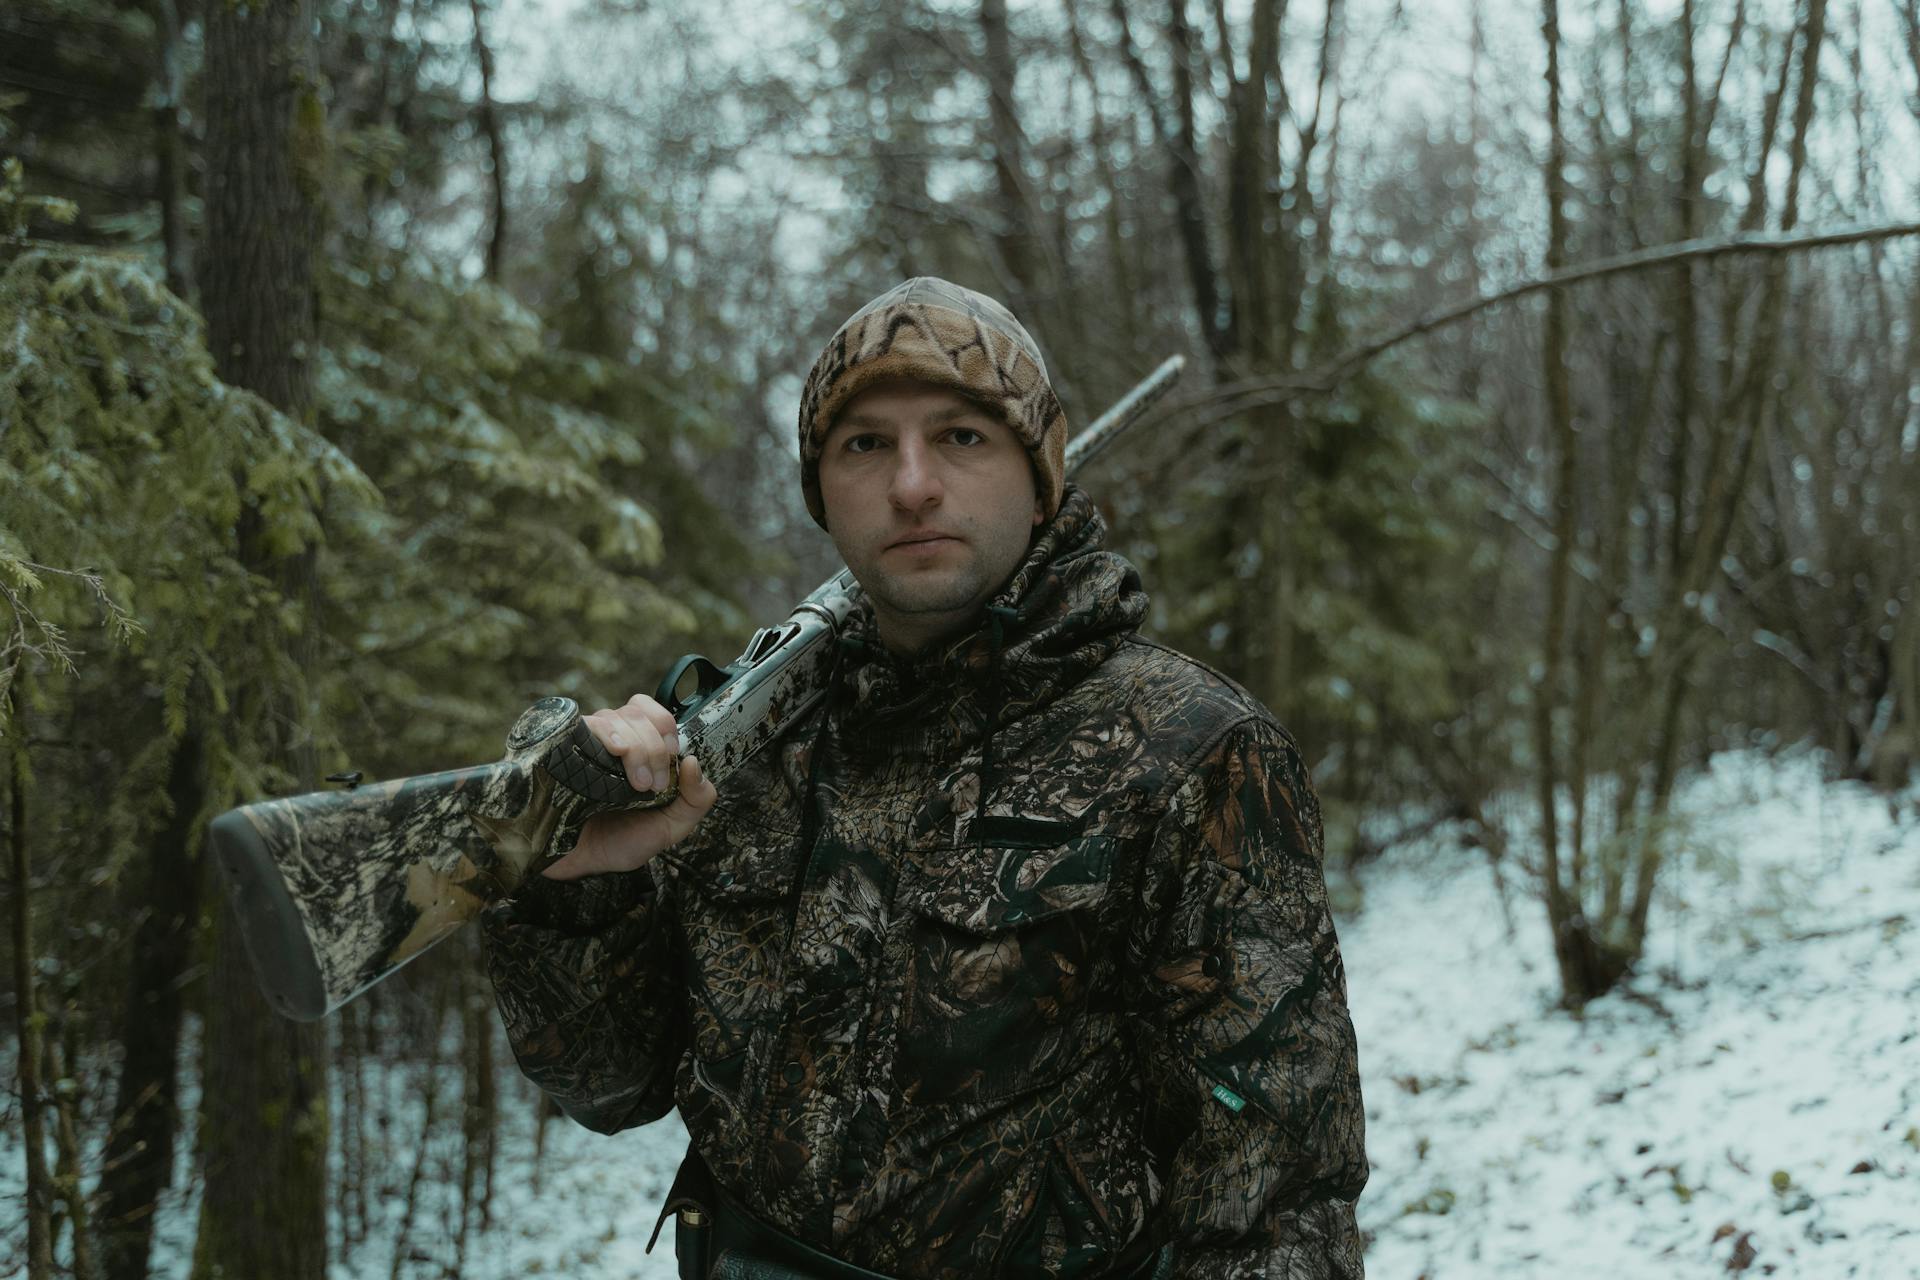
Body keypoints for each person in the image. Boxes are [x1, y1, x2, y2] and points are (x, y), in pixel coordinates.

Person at [482, 278, 1368, 1279]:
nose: (911, 485)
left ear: (1041, 483)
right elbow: (608, 1088)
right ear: (823, 493)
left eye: (962, 437)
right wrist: (577, 884)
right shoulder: (746, 747)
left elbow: (1275, 1192)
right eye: (865, 444)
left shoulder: (1192, 748)